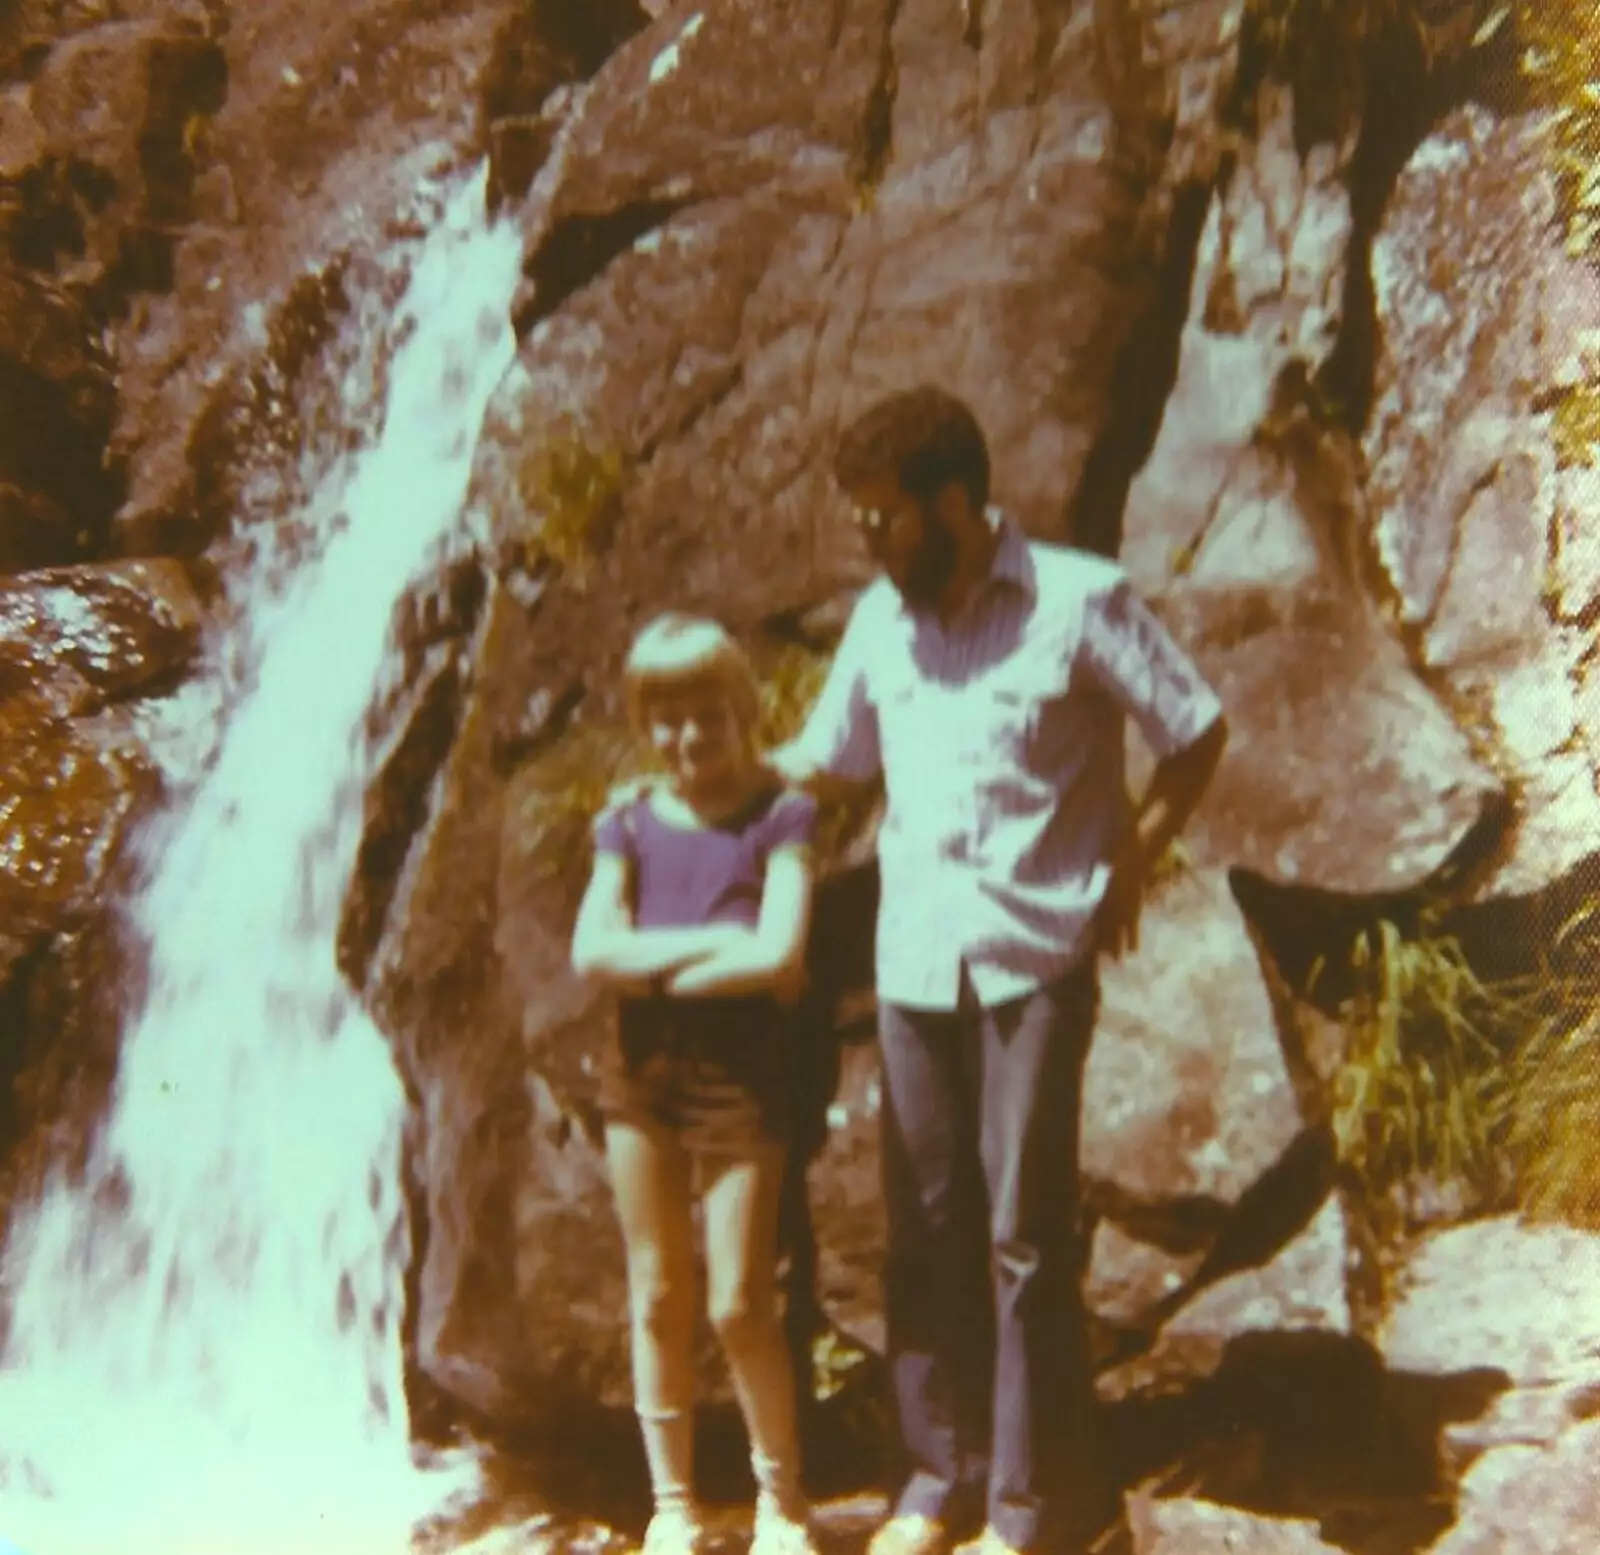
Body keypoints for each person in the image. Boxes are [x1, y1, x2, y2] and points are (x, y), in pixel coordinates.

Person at [767, 386, 1229, 1555]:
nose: (869, 539)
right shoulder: (884, 623)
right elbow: (826, 762)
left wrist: (1135, 848)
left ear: (956, 502)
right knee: (921, 1231)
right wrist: (688, 788)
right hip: (915, 966)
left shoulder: (1077, 601)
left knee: (1023, 1235)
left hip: (1034, 960)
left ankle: (1028, 1511)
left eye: (885, 517)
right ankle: (935, 1482)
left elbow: (1194, 726)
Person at [570, 612, 825, 1555]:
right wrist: (717, 942)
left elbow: (782, 950)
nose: (687, 737)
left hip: (740, 1080)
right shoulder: (627, 820)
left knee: (739, 1299)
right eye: (666, 717)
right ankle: (672, 1506)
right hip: (641, 1075)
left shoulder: (782, 812)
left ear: (741, 708)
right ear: (646, 721)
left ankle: (782, 1500)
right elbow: (593, 950)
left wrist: (665, 963)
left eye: (706, 714)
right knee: (655, 1291)